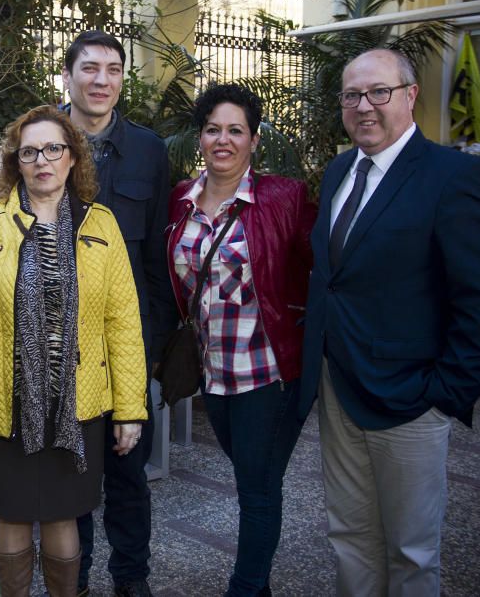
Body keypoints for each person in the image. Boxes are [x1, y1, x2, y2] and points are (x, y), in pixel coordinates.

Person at [300, 48, 480, 596]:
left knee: (412, 552)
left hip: (411, 399)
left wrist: (447, 391)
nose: (364, 106)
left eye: (379, 92)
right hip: (338, 387)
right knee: (349, 535)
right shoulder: (339, 170)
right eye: (352, 95)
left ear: (410, 95)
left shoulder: (454, 175)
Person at [0, 105, 148, 597]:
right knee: (13, 515)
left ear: (72, 158)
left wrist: (130, 409)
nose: (43, 160)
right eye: (30, 151)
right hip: (6, 403)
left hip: (76, 404)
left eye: (54, 149)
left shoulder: (100, 226)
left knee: (65, 516)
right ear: (15, 162)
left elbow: (122, 323)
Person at [165, 83, 316, 596]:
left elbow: (323, 269)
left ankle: (245, 588)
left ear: (254, 139)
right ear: (199, 136)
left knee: (256, 489)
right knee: (254, 477)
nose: (223, 140)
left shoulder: (284, 197)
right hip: (212, 372)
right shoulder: (179, 201)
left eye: (236, 130)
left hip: (267, 374)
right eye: (213, 129)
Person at [62, 29, 177, 597]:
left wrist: (151, 348)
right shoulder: (40, 139)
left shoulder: (150, 151)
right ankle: (73, 580)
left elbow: (158, 256)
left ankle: (131, 579)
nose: (101, 80)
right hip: (57, 344)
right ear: (68, 76)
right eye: (90, 68)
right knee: (69, 475)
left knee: (130, 474)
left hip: (127, 348)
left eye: (112, 69)